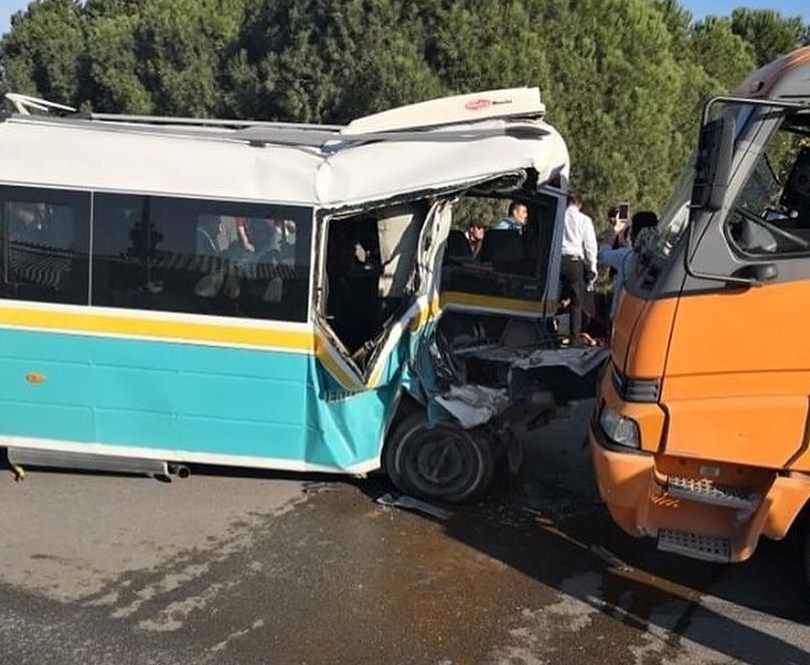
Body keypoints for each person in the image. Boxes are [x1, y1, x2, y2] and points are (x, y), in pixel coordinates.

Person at [598, 210, 658, 319]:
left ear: (633, 233)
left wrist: (615, 230)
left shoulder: (626, 257)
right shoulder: (663, 258)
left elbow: (602, 254)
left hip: (622, 317)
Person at [560, 193, 597, 343]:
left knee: (556, 297)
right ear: (580, 205)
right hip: (575, 261)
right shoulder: (584, 220)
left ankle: (551, 332)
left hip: (558, 260)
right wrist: (592, 267)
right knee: (576, 302)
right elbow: (590, 247)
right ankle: (573, 339)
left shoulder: (559, 216)